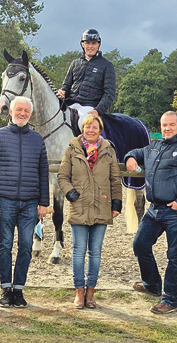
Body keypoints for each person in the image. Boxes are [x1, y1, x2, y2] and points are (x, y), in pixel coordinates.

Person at [124, 111, 177, 314]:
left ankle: (170, 300)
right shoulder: (155, 146)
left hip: (176, 211)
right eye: (164, 125)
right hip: (154, 210)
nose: (167, 128)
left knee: (175, 255)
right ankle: (152, 285)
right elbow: (136, 152)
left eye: (171, 125)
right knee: (140, 245)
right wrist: (130, 158)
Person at [0, 96, 50, 308]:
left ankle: (19, 289)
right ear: (10, 111)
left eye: (26, 111)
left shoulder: (37, 139)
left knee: (26, 246)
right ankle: (5, 288)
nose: (22, 114)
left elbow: (43, 171)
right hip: (5, 201)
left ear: (30, 114)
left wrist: (44, 202)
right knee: (5, 245)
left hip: (30, 203)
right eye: (18, 110)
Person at [57, 115, 123, 309]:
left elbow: (115, 179)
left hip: (101, 206)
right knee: (78, 252)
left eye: (94, 127)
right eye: (87, 127)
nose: (91, 130)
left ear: (100, 130)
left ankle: (91, 291)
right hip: (79, 205)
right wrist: (70, 192)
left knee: (95, 253)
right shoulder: (72, 149)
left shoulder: (108, 150)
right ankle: (79, 290)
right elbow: (62, 175)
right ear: (82, 130)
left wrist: (116, 203)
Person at [57, 29, 116, 129]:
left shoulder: (107, 65)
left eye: (93, 43)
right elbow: (66, 86)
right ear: (82, 44)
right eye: (87, 43)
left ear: (98, 45)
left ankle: (89, 145)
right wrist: (62, 92)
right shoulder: (75, 63)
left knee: (87, 127)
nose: (90, 46)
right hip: (70, 105)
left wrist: (98, 110)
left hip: (89, 108)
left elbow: (109, 94)